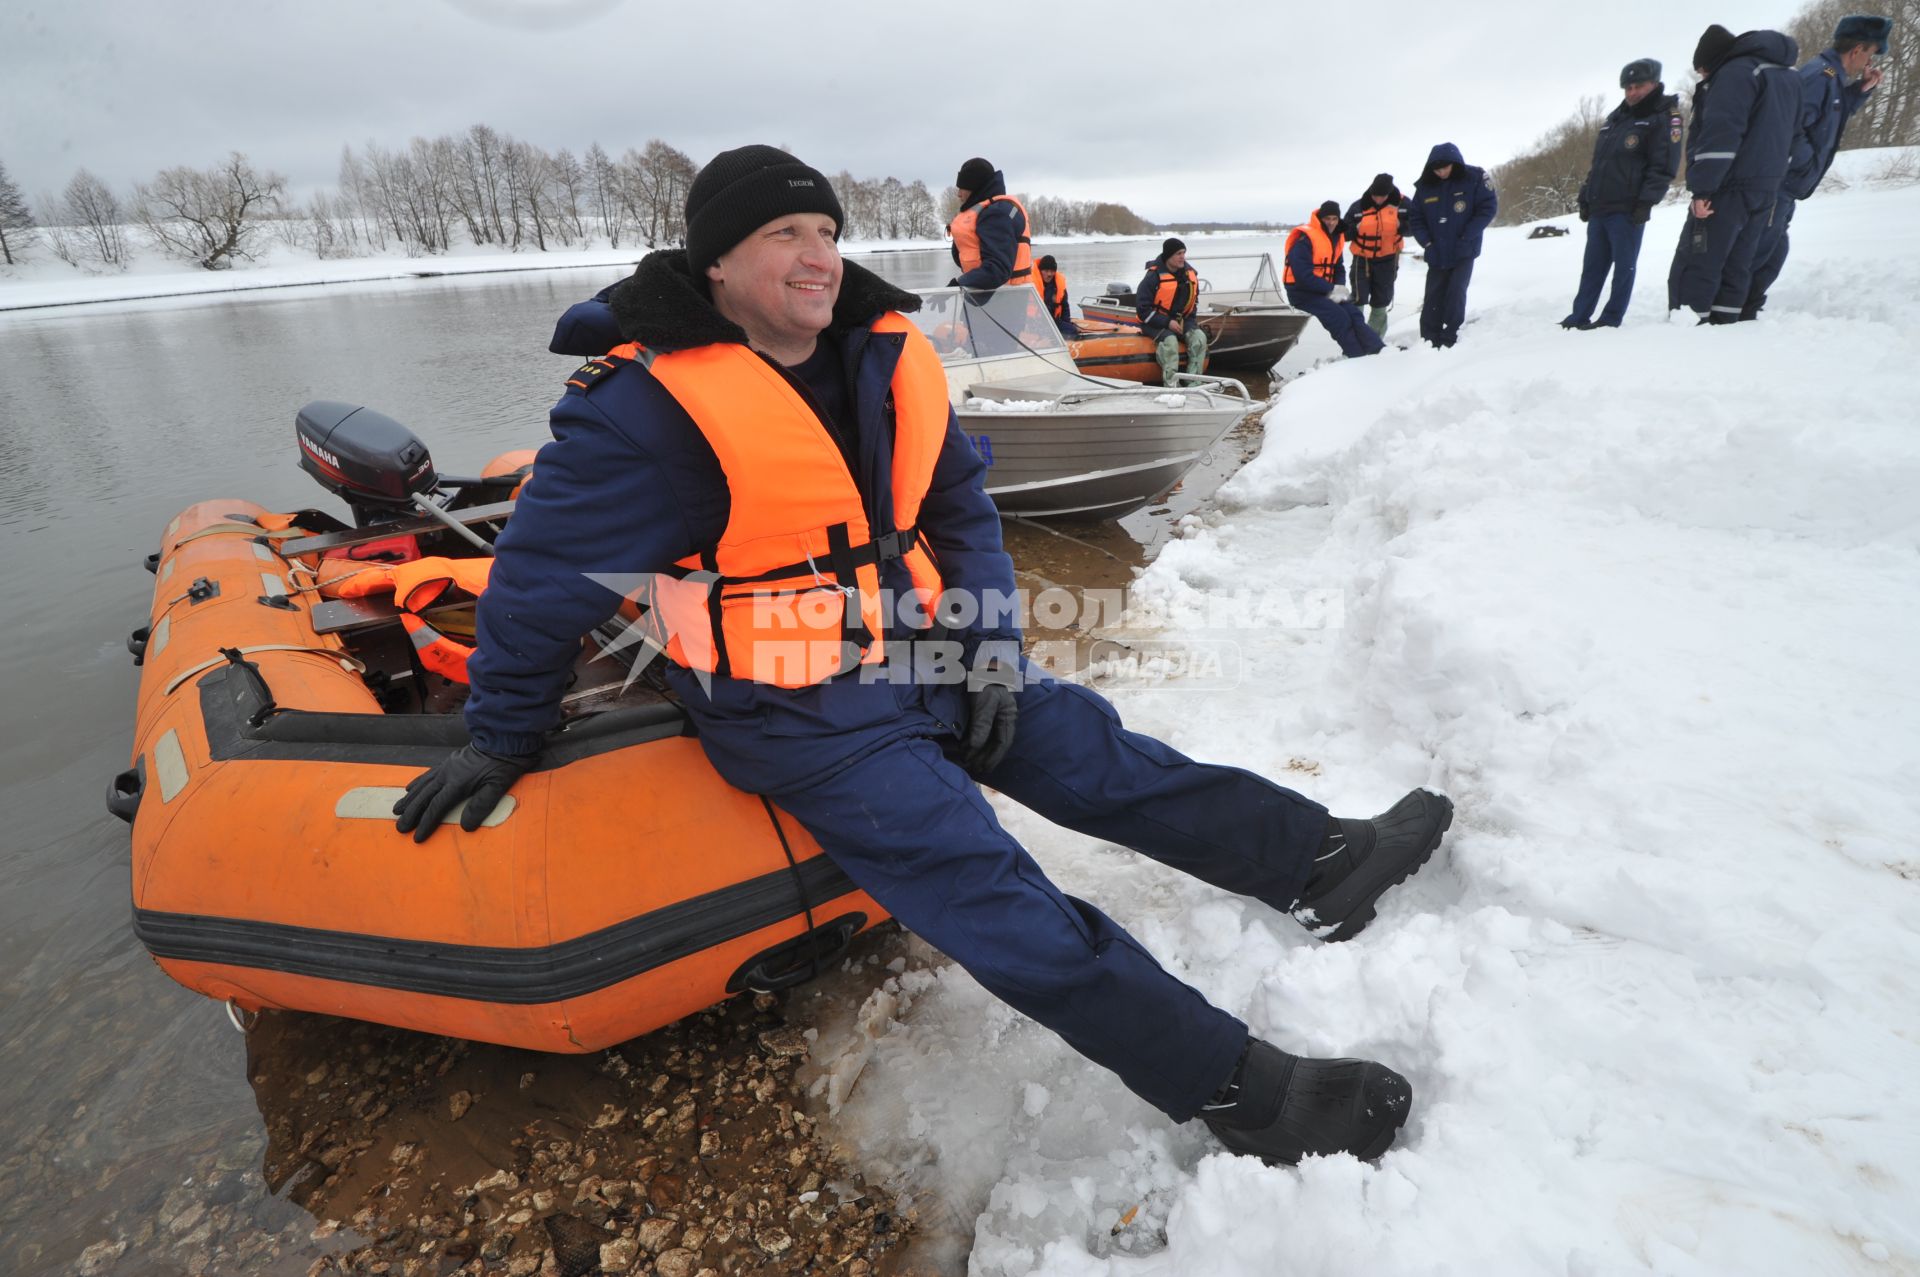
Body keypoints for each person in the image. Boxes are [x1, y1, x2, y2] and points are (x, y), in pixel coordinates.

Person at [391, 145, 1455, 1167]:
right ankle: (1238, 1088)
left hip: (934, 650)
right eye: (781, 233)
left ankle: (1318, 862)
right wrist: (501, 733)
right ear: (716, 262)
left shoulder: (883, 353)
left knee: (1097, 752)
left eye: (826, 229)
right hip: (795, 708)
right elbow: (536, 586)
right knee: (993, 886)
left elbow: (958, 509)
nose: (817, 254)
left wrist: (992, 644)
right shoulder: (644, 410)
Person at [1742, 14, 1890, 319]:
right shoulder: (1818, 75)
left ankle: (1745, 310)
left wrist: (1862, 89)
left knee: (1773, 252)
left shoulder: (1833, 78)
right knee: (1759, 252)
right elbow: (1790, 127)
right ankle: (1733, 314)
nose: (1868, 62)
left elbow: (1830, 116)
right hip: (1781, 182)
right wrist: (1805, 162)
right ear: (1857, 49)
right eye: (1871, 54)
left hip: (1790, 184)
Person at [1666, 25, 1801, 324]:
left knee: (1699, 260)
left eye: (1702, 71)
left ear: (1711, 61)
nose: (1702, 77)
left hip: (1728, 187)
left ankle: (1684, 327)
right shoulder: (1786, 76)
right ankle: (1726, 327)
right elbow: (1795, 133)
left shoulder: (1734, 73)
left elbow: (1721, 135)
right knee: (1738, 262)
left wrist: (1702, 189)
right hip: (1766, 187)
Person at [1560, 59, 1684, 330]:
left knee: (1623, 268)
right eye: (1628, 87)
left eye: (1639, 86)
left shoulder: (1664, 117)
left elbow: (1664, 166)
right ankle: (1579, 316)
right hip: (1600, 206)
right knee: (1592, 268)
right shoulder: (1616, 119)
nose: (1632, 92)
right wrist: (1585, 195)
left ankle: (1610, 318)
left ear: (1654, 84)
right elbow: (1599, 164)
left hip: (1628, 209)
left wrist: (1646, 201)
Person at [1403, 143, 1497, 348]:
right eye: (1437, 170)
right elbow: (1416, 218)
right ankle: (1428, 339)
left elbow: (1487, 208)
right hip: (1436, 251)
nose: (1441, 172)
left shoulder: (1474, 178)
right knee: (1433, 296)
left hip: (1464, 249)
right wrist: (1427, 243)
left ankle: (1450, 336)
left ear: (1454, 164)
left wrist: (1467, 236)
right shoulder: (1425, 187)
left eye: (1445, 168)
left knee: (1455, 293)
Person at [1284, 200, 1385, 358]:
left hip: (1326, 289)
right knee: (1339, 317)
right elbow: (1303, 276)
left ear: (1338, 219)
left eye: (1334, 219)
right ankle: (1357, 356)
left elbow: (1339, 267)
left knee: (1354, 313)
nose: (1331, 223)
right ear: (1320, 219)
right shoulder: (1304, 240)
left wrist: (1339, 286)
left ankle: (1377, 350)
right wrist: (1331, 289)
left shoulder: (1336, 237)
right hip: (1302, 293)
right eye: (1327, 219)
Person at [948, 157, 1042, 293]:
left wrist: (959, 283)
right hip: (986, 297)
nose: (958, 194)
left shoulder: (997, 213)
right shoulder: (988, 211)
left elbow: (997, 270)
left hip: (1006, 298)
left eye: (962, 188)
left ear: (974, 187)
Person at [1135, 238, 1210, 383]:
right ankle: (1171, 386)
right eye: (1178, 254)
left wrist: (1189, 323)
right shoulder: (1152, 277)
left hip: (1181, 321)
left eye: (1183, 253)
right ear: (1168, 256)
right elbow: (1142, 310)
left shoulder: (1189, 275)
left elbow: (1193, 303)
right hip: (1154, 323)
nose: (1182, 257)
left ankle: (1193, 383)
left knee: (1199, 338)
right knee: (1170, 342)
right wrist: (1167, 322)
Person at [1343, 174, 1406, 338]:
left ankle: (1374, 340)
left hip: (1388, 259)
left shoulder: (1403, 204)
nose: (1378, 200)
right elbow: (1344, 234)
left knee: (1381, 301)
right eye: (1375, 196)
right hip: (1362, 260)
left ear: (1389, 193)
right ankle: (1355, 339)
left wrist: (1402, 226)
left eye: (1382, 196)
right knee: (1358, 298)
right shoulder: (1358, 206)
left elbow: (1415, 226)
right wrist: (1355, 228)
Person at [1036, 254, 1078, 336]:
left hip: (1053, 321)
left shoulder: (1058, 286)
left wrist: (1067, 323)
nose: (1049, 274)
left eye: (1052, 271)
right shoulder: (1031, 284)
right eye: (1046, 270)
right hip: (1035, 322)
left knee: (1072, 330)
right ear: (1040, 270)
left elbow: (1065, 306)